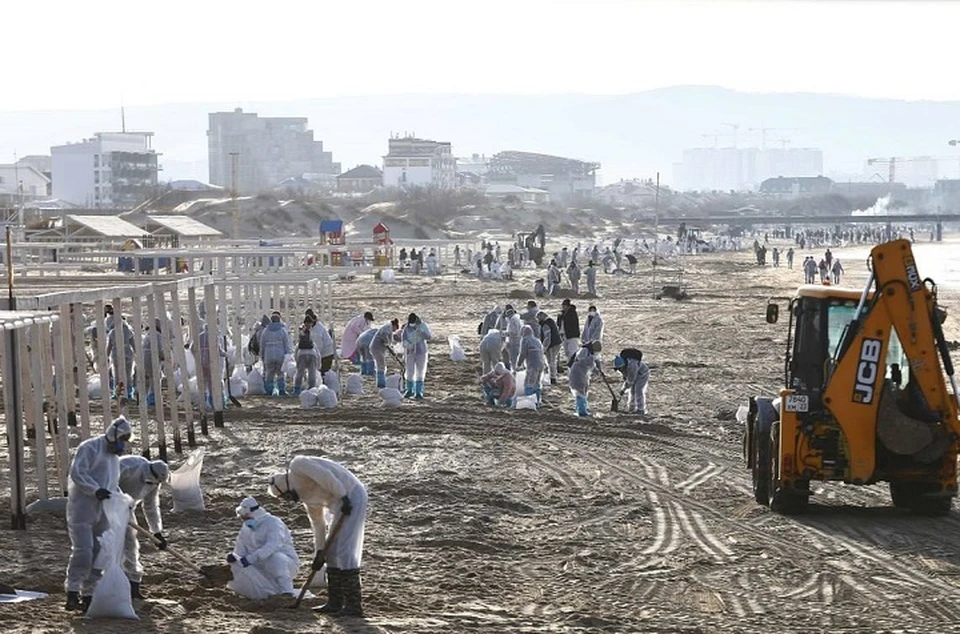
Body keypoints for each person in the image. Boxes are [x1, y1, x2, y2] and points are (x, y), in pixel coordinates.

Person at [267, 455, 367, 617]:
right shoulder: (308, 499)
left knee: (344, 550)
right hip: (341, 505)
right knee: (331, 553)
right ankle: (335, 603)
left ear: (286, 485)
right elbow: (318, 525)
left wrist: (343, 496)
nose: (289, 500)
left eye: (286, 495)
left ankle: (354, 606)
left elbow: (326, 476)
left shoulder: (298, 465)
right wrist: (320, 553)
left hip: (351, 496)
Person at [65, 416, 132, 612]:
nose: (122, 444)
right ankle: (72, 590)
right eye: (121, 439)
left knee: (99, 552)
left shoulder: (114, 459)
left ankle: (89, 594)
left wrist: (122, 500)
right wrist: (94, 490)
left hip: (103, 511)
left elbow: (112, 484)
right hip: (83, 509)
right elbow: (78, 473)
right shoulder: (90, 448)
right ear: (113, 435)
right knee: (83, 550)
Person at [118, 455, 170, 600]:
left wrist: (157, 532)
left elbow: (151, 506)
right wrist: (116, 502)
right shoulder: (128, 466)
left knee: (131, 546)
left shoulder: (155, 483)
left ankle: (133, 586)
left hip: (127, 510)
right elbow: (107, 483)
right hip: (104, 506)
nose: (152, 484)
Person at [226, 497, 299, 598]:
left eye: (247, 518)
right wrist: (235, 557)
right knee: (234, 566)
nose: (245, 521)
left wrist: (252, 558)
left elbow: (272, 545)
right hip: (258, 564)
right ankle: (262, 593)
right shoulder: (246, 528)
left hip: (285, 564)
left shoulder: (274, 523)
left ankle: (286, 591)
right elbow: (240, 549)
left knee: (276, 558)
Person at [195, 322, 228, 408]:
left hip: (202, 362)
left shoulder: (200, 336)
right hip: (212, 363)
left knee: (203, 382)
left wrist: (199, 356)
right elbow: (219, 350)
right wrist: (226, 354)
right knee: (215, 382)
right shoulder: (214, 337)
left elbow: (192, 348)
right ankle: (217, 401)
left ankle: (204, 402)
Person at [260, 310, 292, 396]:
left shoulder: (266, 331)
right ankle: (281, 390)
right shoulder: (282, 330)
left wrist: (262, 356)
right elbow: (286, 344)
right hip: (280, 355)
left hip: (268, 355)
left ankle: (269, 390)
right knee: (280, 373)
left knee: (269, 373)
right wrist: (288, 354)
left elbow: (262, 345)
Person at [401, 313, 432, 399]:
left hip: (421, 352)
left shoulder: (422, 326)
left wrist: (422, 333)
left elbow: (429, 336)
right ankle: (409, 389)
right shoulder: (406, 328)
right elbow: (403, 339)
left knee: (420, 371)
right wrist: (407, 345)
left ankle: (418, 392)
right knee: (409, 371)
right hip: (410, 352)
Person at [106, 316, 136, 399]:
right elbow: (133, 344)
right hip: (128, 354)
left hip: (116, 354)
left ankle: (117, 392)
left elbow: (109, 346)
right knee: (128, 374)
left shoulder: (112, 332)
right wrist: (137, 354)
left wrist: (106, 356)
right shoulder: (129, 331)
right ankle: (128, 392)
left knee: (116, 374)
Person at [614, 349, 650, 417]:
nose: (620, 370)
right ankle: (631, 408)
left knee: (638, 390)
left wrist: (623, 390)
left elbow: (630, 381)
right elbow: (627, 379)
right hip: (634, 374)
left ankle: (641, 409)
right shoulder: (624, 366)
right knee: (632, 391)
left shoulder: (632, 366)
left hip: (642, 374)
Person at [569, 342, 602, 417]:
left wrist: (597, 371)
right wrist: (592, 360)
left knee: (584, 390)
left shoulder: (590, 353)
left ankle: (583, 408)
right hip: (577, 373)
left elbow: (591, 365)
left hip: (583, 374)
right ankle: (581, 411)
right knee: (580, 391)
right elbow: (582, 361)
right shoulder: (583, 350)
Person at [517, 324, 545, 405]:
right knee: (537, 382)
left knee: (529, 382)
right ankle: (538, 400)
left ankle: (529, 401)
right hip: (541, 363)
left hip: (532, 364)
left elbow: (523, 353)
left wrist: (519, 364)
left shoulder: (525, 340)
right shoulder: (537, 340)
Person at [370, 318, 400, 388]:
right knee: (381, 365)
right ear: (394, 325)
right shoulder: (387, 328)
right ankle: (381, 383)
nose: (394, 331)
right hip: (376, 348)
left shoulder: (388, 328)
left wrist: (392, 350)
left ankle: (381, 381)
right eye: (394, 329)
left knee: (381, 365)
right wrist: (387, 344)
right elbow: (385, 338)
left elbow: (390, 342)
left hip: (379, 349)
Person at [293, 317, 319, 395]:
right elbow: (316, 349)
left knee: (300, 372)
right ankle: (312, 388)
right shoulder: (314, 331)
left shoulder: (301, 332)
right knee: (312, 372)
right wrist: (318, 363)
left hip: (301, 354)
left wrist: (296, 360)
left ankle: (297, 389)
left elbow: (297, 348)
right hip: (312, 354)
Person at [306, 309, 336, 378]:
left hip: (325, 355)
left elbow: (318, 349)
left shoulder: (317, 332)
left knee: (322, 375)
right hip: (326, 353)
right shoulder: (317, 326)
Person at [537, 311, 562, 385]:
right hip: (556, 343)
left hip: (552, 345)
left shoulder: (545, 325)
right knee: (552, 361)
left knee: (551, 362)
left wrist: (544, 348)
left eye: (538, 318)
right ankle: (553, 377)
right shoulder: (551, 321)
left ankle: (553, 379)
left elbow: (548, 338)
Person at [557, 299, 581, 373]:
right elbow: (559, 323)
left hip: (572, 336)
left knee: (572, 352)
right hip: (564, 336)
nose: (563, 307)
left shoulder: (572, 313)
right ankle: (570, 367)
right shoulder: (562, 314)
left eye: (564, 306)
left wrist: (562, 316)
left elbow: (572, 323)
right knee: (567, 352)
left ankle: (574, 367)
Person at [501, 305, 523, 370]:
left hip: (513, 342)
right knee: (507, 353)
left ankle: (513, 371)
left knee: (513, 358)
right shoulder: (516, 319)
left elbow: (513, 332)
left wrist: (504, 333)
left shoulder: (513, 320)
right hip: (515, 341)